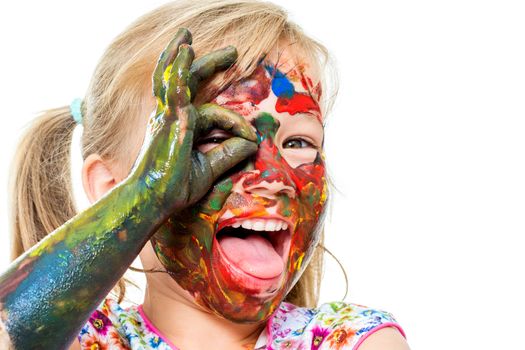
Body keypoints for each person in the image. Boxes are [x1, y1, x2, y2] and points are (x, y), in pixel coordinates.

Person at [0, 1, 409, 349]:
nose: (273, 175)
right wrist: (146, 195)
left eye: (299, 142)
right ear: (112, 189)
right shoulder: (85, 338)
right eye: (215, 138)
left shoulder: (348, 339)